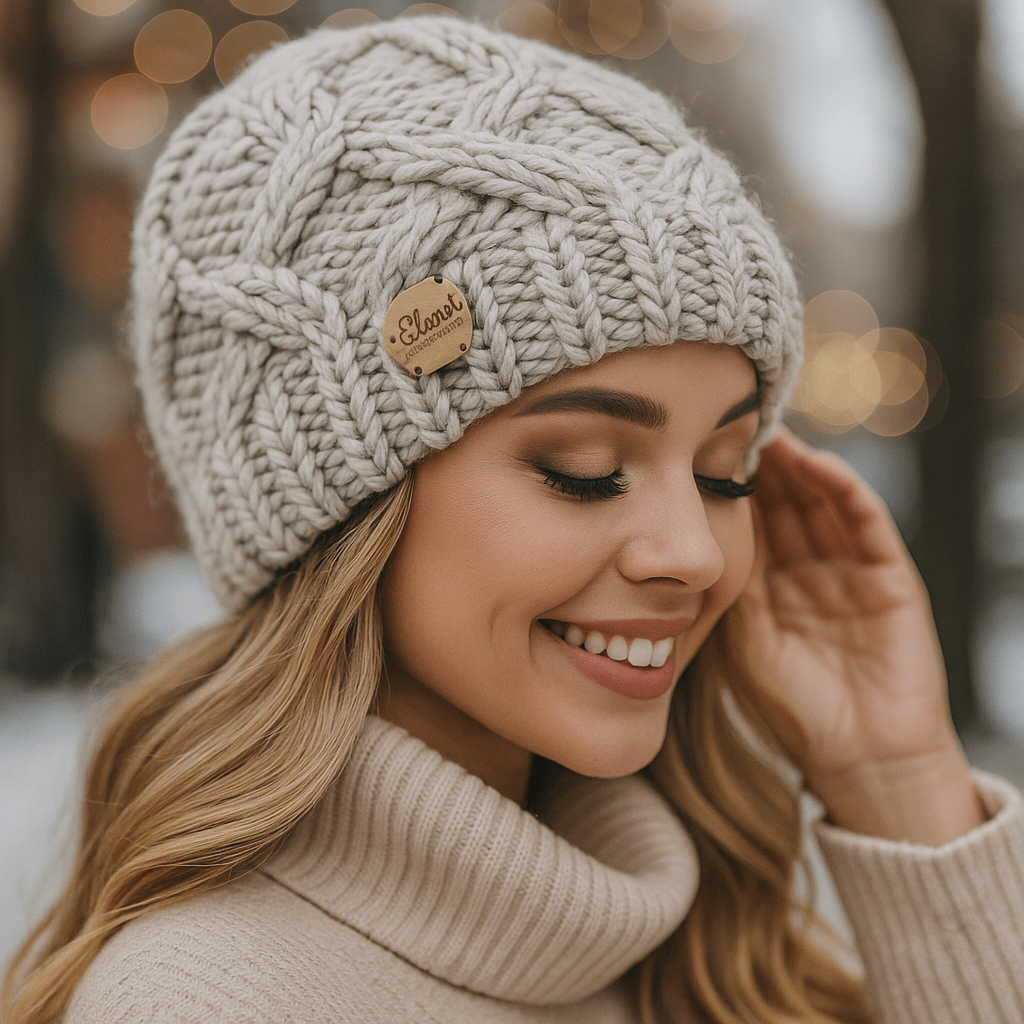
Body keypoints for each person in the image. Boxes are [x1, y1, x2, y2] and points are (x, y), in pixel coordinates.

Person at [5, 15, 1024, 1024]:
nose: (693, 552)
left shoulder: (728, 947)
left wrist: (901, 784)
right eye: (580, 471)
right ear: (340, 511)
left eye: (723, 473)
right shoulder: (209, 1002)